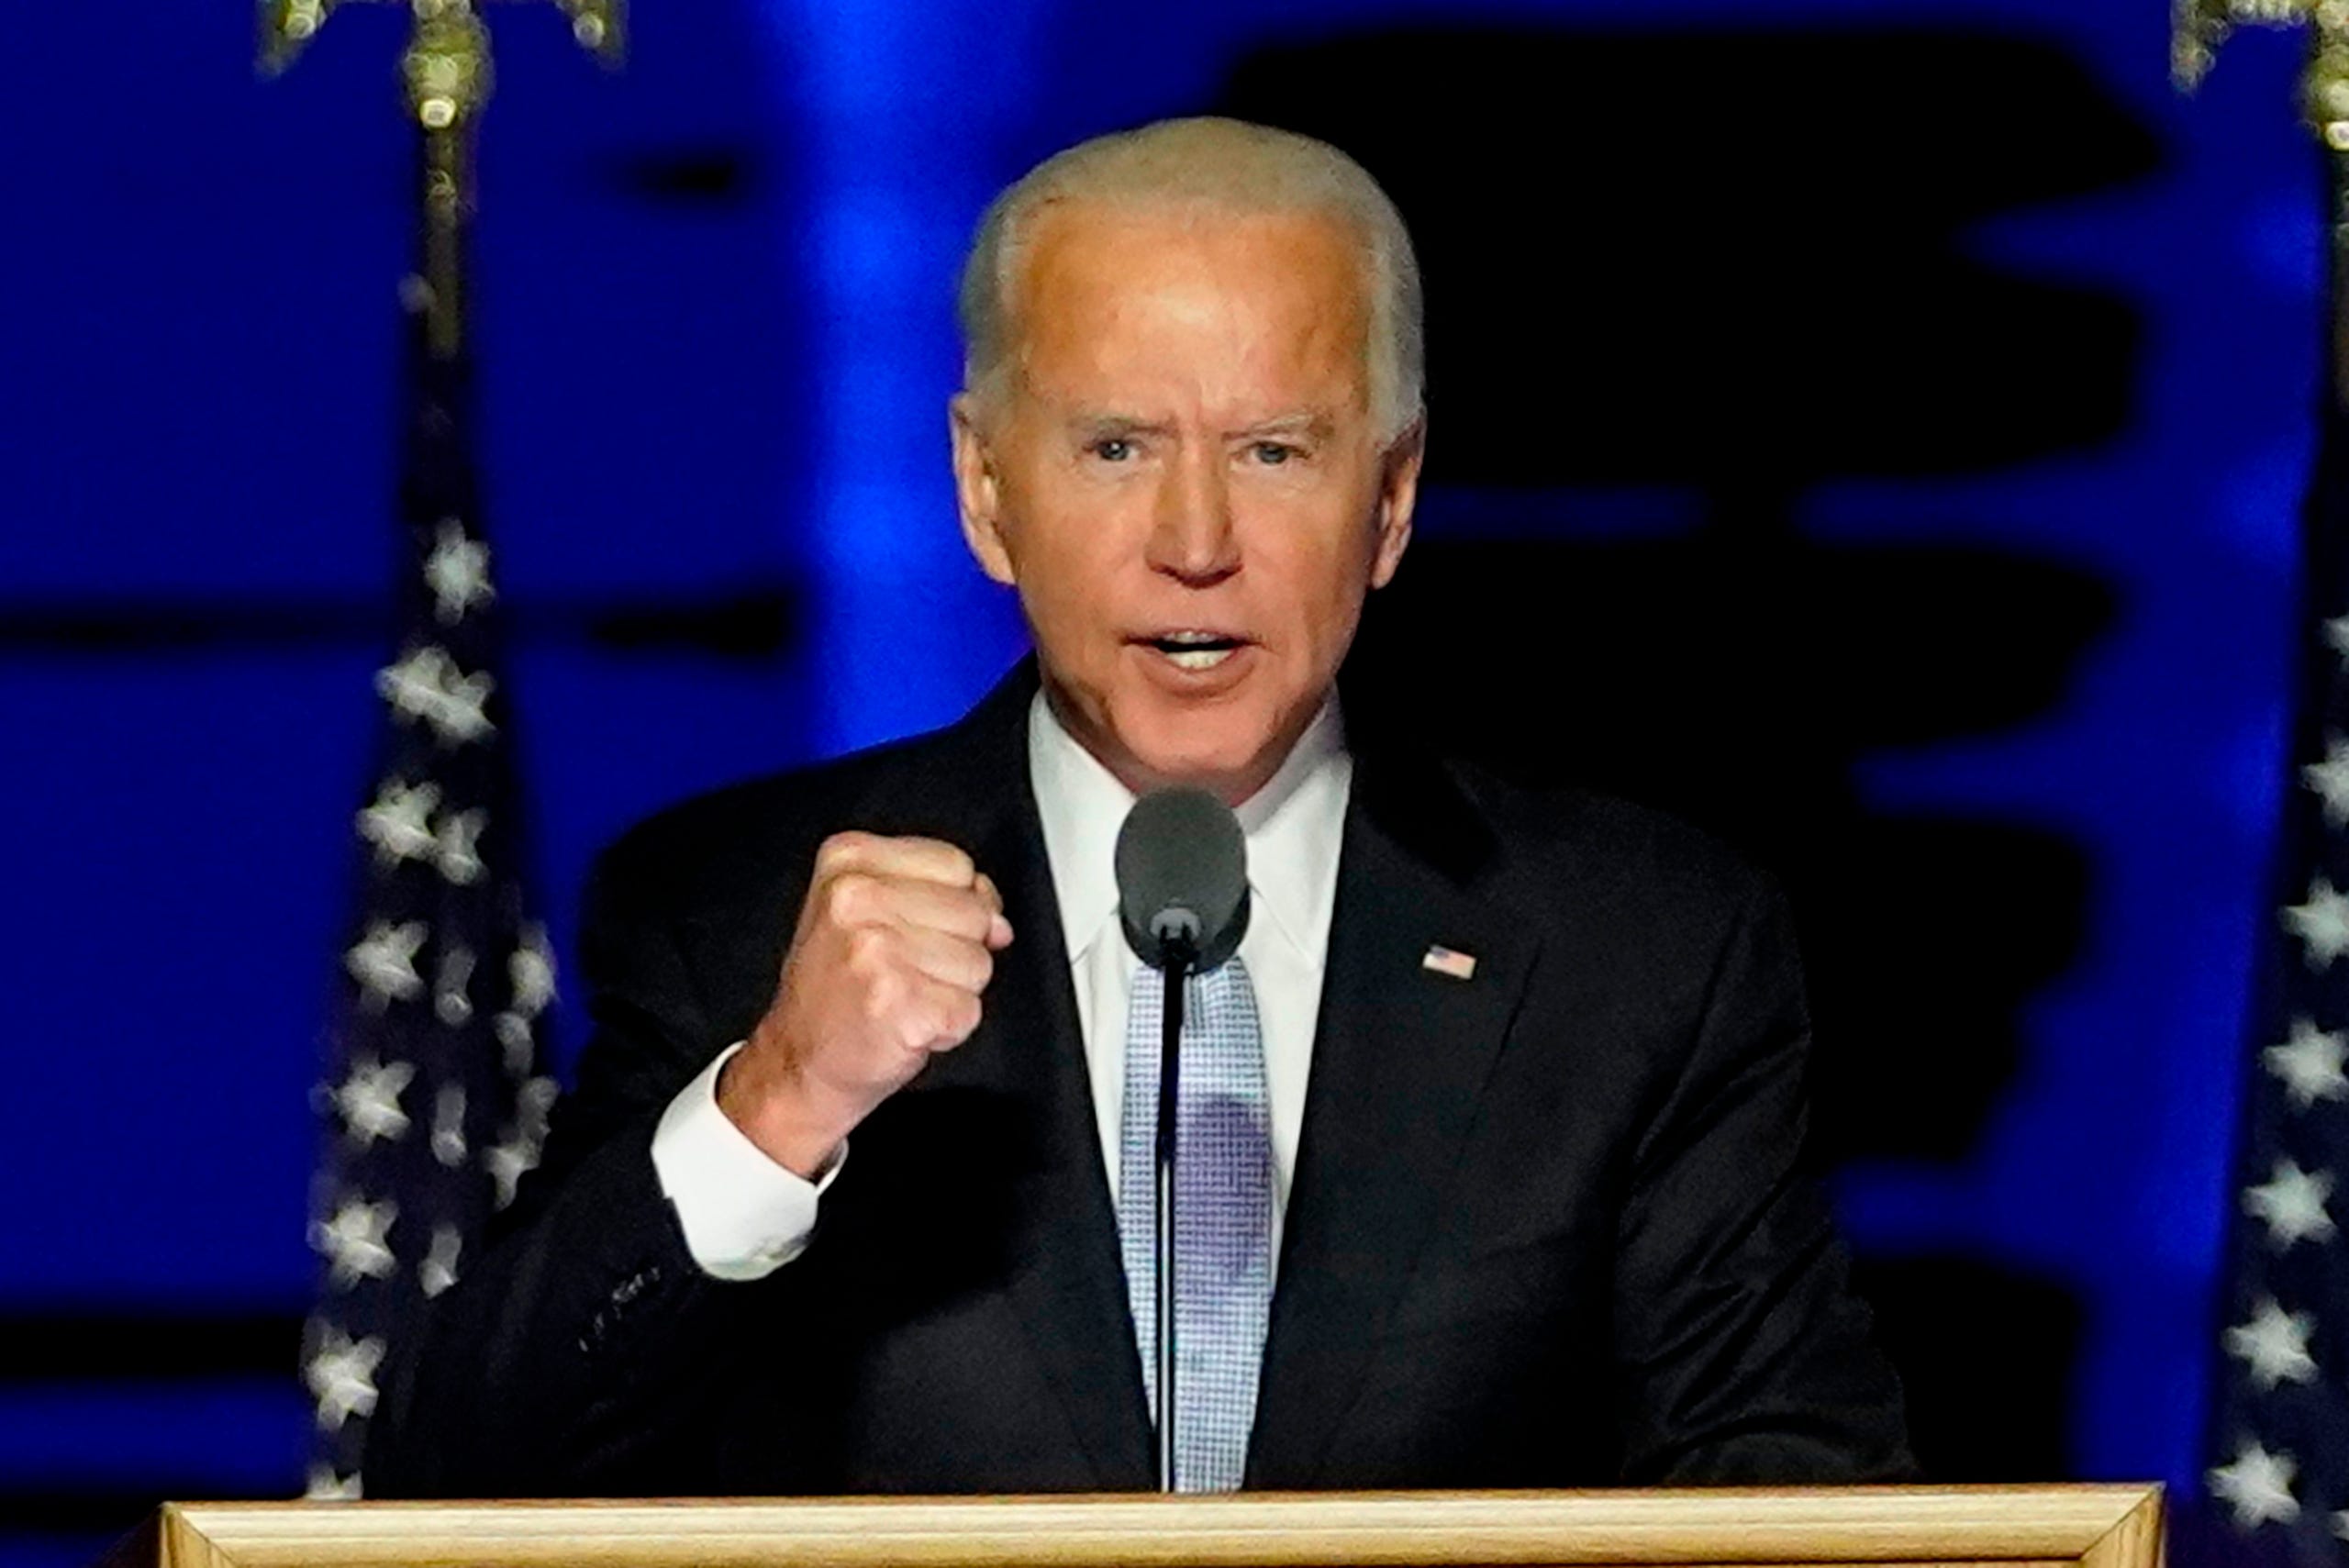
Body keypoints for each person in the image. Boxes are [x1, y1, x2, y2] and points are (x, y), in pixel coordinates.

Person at [366, 116, 1913, 1496]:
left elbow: (1795, 1499)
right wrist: (776, 1102)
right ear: (986, 491)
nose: (1194, 540)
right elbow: (455, 1479)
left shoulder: (1642, 950)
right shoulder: (731, 911)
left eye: (1272, 450)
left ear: (1390, 499)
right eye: (1115, 447)